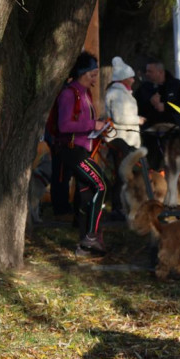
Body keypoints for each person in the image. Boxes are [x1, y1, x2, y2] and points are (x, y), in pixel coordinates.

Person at [54, 51, 110, 256]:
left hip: (82, 149)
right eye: (92, 74)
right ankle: (91, 237)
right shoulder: (69, 94)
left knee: (87, 192)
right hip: (71, 151)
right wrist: (93, 125)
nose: (95, 78)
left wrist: (99, 129)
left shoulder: (85, 94)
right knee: (101, 184)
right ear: (81, 73)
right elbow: (64, 125)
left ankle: (86, 242)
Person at [104, 56, 144, 220]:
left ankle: (122, 206)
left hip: (127, 139)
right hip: (122, 140)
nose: (134, 80)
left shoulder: (121, 93)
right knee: (122, 174)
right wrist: (138, 120)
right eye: (131, 77)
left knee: (124, 174)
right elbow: (120, 118)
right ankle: (118, 207)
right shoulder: (118, 94)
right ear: (123, 78)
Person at [135, 58, 180, 129]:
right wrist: (150, 102)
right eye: (146, 71)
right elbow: (136, 107)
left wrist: (165, 107)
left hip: (174, 129)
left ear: (160, 72)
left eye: (150, 72)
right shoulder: (143, 88)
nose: (147, 74)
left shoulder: (176, 85)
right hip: (151, 130)